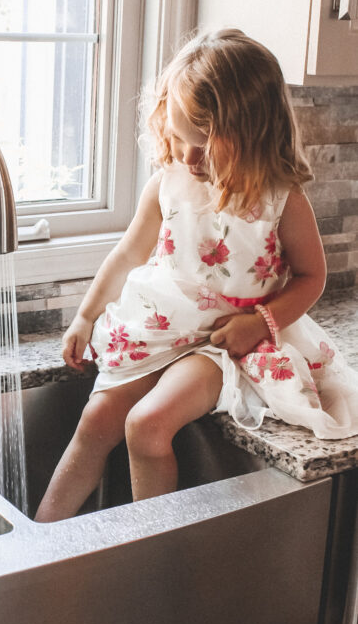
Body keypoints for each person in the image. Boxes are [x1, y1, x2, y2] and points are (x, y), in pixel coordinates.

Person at [35, 28, 358, 523]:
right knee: (96, 421)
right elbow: (126, 256)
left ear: (253, 130)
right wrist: (85, 316)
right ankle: (39, 542)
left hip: (220, 342)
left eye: (204, 145)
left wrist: (260, 324)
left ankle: (155, 553)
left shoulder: (281, 198)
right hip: (160, 330)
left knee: (146, 426)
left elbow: (312, 277)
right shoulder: (168, 184)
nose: (188, 158)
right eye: (181, 139)